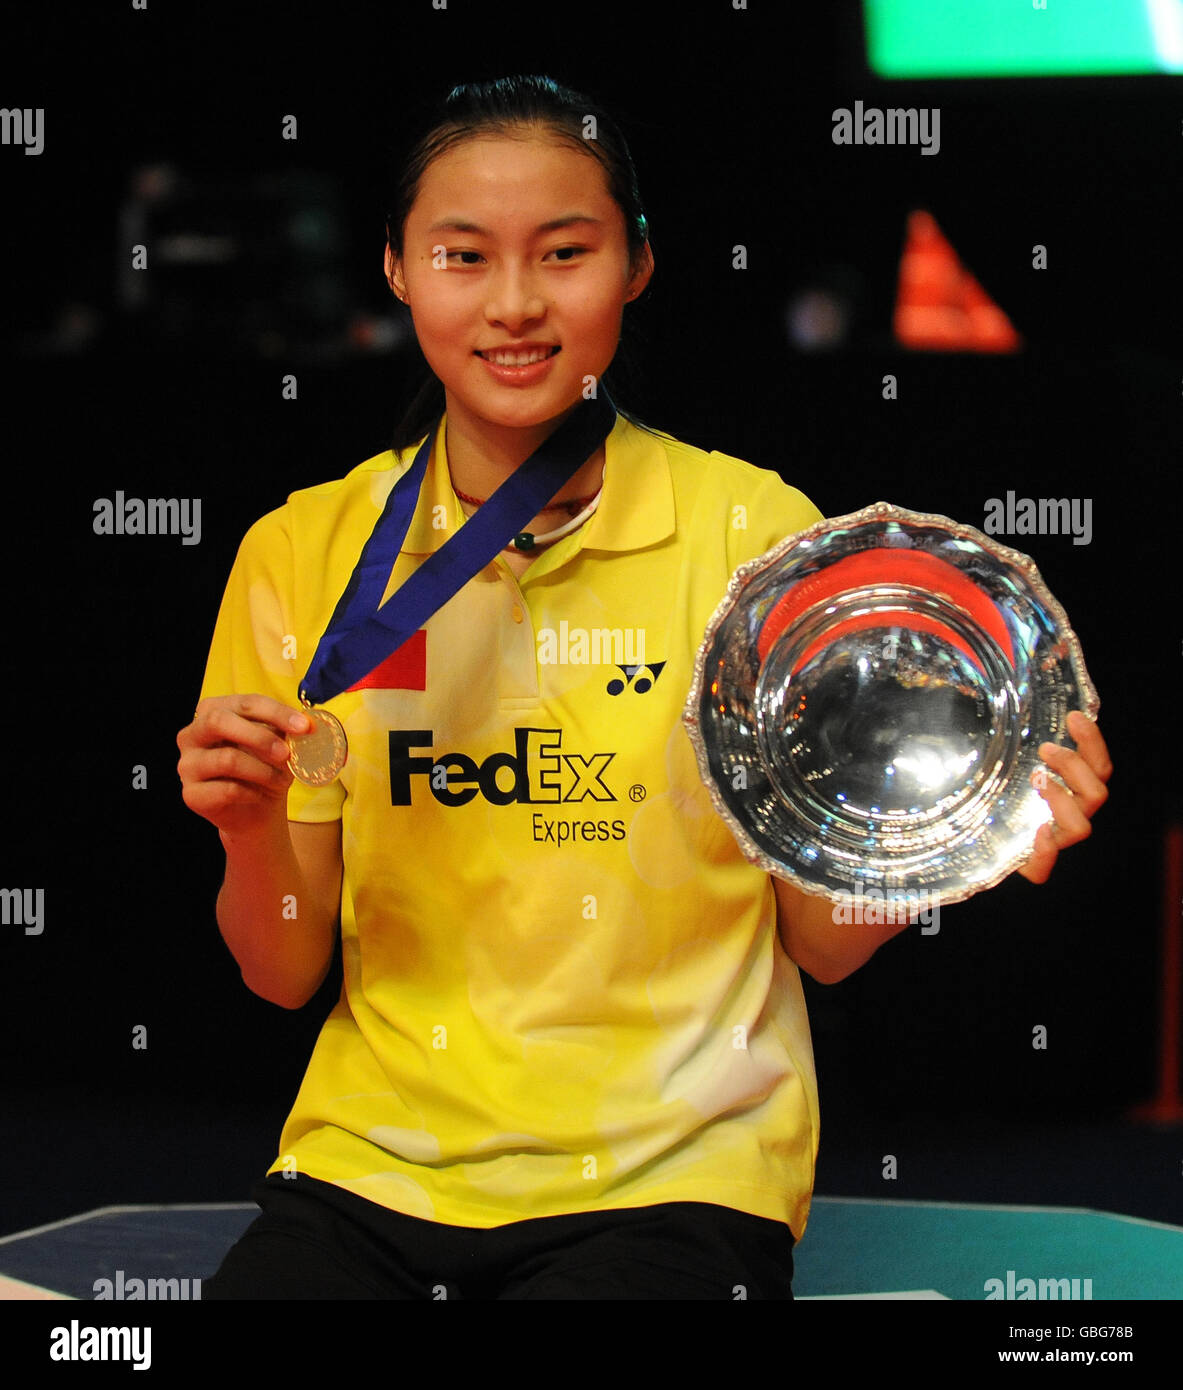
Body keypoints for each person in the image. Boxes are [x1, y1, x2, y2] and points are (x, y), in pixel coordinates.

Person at [176, 74, 1112, 1300]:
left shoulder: (753, 537)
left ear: (636, 265)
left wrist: (946, 840)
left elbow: (818, 946)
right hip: (372, 1167)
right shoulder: (303, 553)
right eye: (463, 255)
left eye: (565, 252)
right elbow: (280, 970)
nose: (514, 303)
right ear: (399, 271)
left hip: (678, 1175)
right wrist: (249, 829)